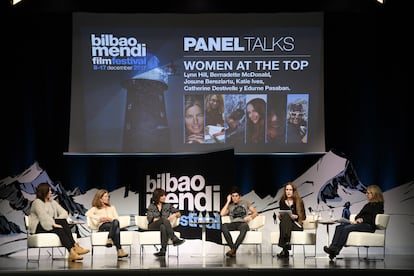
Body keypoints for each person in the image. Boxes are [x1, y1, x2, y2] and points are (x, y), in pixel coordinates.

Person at [28, 182, 90, 262]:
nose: (51, 192)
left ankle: (73, 250)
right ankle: (74, 248)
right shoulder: (37, 202)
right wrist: (53, 223)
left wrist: (57, 222)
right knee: (59, 227)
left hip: (49, 224)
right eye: (49, 190)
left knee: (62, 224)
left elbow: (63, 212)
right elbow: (43, 216)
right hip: (38, 226)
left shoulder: (52, 202)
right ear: (44, 191)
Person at [324, 185, 384, 260]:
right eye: (366, 193)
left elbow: (373, 218)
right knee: (339, 227)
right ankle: (332, 248)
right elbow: (358, 215)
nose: (366, 195)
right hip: (361, 224)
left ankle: (336, 250)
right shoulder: (367, 205)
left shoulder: (379, 205)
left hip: (369, 226)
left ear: (374, 194)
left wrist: (363, 220)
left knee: (346, 228)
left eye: (368, 193)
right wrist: (358, 219)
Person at [85, 189, 129, 258]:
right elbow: (87, 214)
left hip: (112, 224)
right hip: (103, 226)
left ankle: (110, 238)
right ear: (100, 199)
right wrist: (100, 218)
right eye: (105, 197)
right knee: (117, 227)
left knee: (116, 222)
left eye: (108, 196)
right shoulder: (95, 208)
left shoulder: (112, 207)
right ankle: (119, 250)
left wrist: (110, 219)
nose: (107, 198)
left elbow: (117, 218)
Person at [220, 186, 259, 257]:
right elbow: (222, 214)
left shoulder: (245, 202)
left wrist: (250, 217)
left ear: (239, 196)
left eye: (236, 196)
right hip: (233, 224)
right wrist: (228, 201)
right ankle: (233, 249)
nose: (234, 198)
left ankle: (233, 250)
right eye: (233, 196)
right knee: (223, 226)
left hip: (243, 224)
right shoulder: (230, 206)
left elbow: (256, 212)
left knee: (244, 226)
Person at [147, 188, 185, 257]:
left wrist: (174, 215)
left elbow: (179, 213)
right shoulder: (151, 206)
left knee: (163, 226)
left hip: (163, 225)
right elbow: (150, 219)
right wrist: (163, 220)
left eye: (164, 195)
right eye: (162, 195)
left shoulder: (168, 205)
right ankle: (174, 238)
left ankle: (163, 250)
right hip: (152, 226)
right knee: (164, 220)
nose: (164, 197)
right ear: (157, 196)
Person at [276, 182, 306, 258]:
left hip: (297, 225)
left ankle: (284, 250)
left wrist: (296, 216)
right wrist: (280, 216)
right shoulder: (282, 201)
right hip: (286, 224)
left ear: (293, 191)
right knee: (286, 217)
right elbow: (282, 216)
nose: (288, 192)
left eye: (290, 190)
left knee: (285, 219)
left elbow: (304, 217)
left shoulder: (299, 201)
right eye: (287, 190)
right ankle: (287, 244)